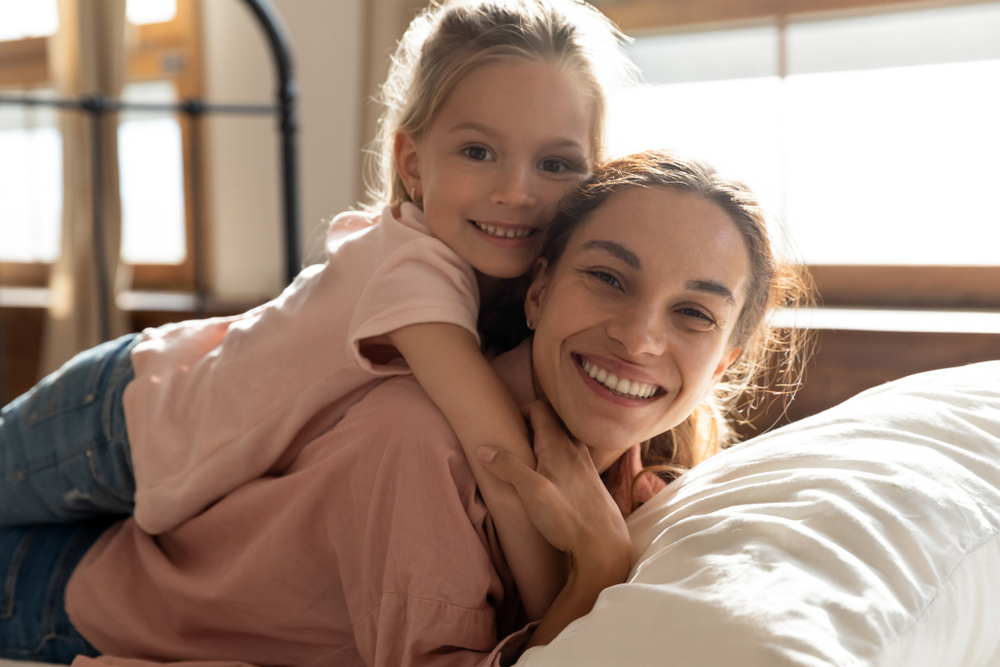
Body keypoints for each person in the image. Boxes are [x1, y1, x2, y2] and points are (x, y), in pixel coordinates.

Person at [0, 149, 813, 665]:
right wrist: (595, 570)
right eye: (608, 276)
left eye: (694, 313)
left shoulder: (654, 487)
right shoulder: (420, 438)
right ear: (537, 291)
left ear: (728, 361)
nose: (639, 336)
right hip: (86, 587)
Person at [0, 0, 637, 623]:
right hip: (126, 418)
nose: (516, 191)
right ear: (412, 164)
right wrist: (566, 606)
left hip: (184, 467)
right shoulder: (410, 265)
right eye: (478, 151)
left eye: (556, 164)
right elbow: (499, 458)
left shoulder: (516, 289)